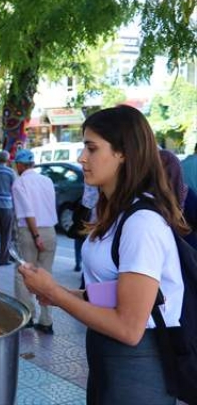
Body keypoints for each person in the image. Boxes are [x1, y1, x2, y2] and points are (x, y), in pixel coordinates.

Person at [19, 106, 186, 404]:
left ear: (123, 153)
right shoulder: (116, 213)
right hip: (107, 360)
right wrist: (64, 292)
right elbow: (115, 293)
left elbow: (129, 327)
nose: (82, 158)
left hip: (137, 369)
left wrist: (56, 294)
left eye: (92, 148)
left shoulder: (141, 223)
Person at [12, 148, 57, 334]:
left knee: (23, 273)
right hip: (51, 231)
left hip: (31, 232)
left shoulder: (20, 183)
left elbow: (28, 212)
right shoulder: (47, 180)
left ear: (21, 165)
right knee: (46, 274)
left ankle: (28, 315)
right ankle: (46, 320)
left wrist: (36, 235)